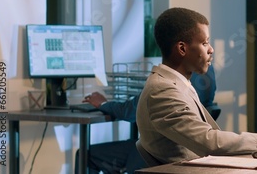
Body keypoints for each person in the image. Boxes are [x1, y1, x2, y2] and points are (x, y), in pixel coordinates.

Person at [136, 7, 257, 164]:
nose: (211, 50)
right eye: (204, 43)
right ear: (182, 49)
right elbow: (209, 142)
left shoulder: (176, 83)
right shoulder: (163, 91)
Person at [74, 66, 219, 174]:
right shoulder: (207, 71)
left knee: (86, 155)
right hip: (188, 151)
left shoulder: (166, 81)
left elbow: (130, 111)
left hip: (156, 153)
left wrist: (103, 104)